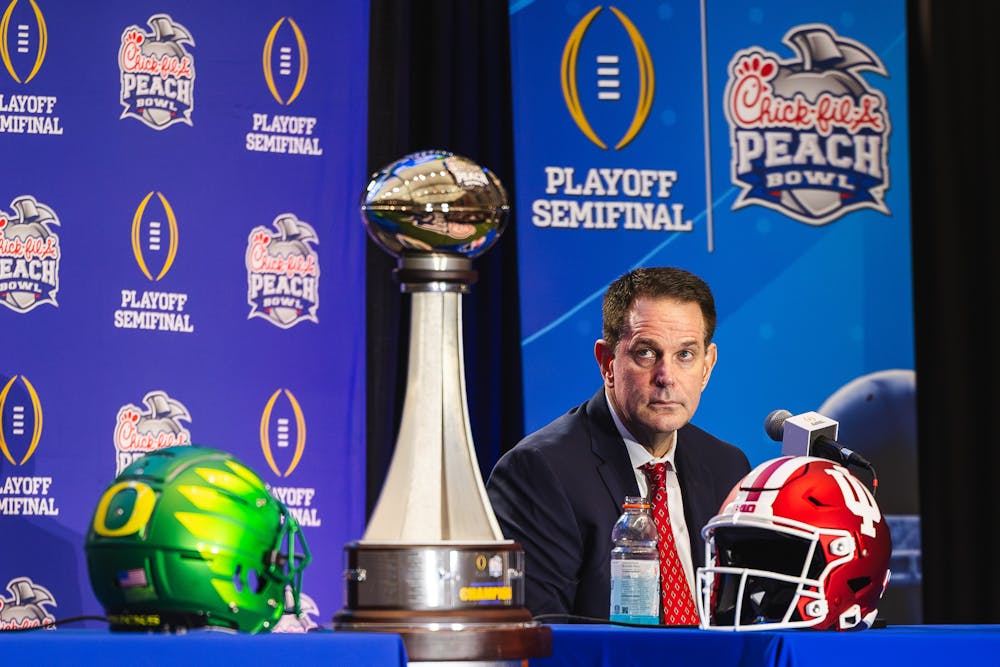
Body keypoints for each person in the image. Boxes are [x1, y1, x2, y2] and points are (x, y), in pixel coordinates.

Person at [486, 266, 751, 622]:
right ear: (607, 363)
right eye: (646, 353)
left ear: (707, 367)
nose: (666, 377)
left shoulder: (727, 467)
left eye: (685, 355)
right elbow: (540, 632)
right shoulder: (539, 471)